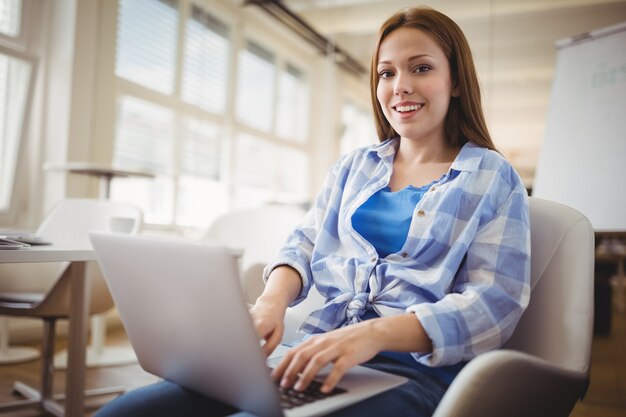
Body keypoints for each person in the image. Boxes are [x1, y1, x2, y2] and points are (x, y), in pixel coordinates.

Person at [95, 6, 530, 417]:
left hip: (412, 374)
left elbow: (495, 303)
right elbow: (302, 244)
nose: (400, 86)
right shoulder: (353, 168)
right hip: (309, 356)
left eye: (421, 68)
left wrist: (374, 333)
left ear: (456, 80)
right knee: (122, 412)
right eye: (386, 73)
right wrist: (270, 303)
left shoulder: (491, 176)